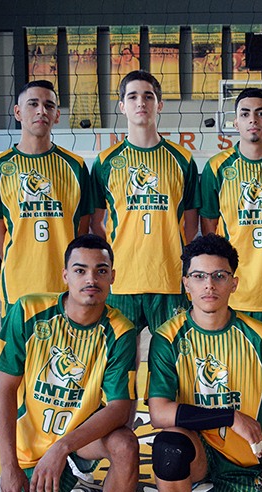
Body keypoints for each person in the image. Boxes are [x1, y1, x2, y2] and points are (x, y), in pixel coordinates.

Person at [0, 234, 140, 492]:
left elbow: (119, 409)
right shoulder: (27, 312)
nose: (91, 279)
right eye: (81, 270)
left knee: (125, 444)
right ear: (65, 275)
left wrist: (62, 448)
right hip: (32, 445)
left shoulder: (121, 330)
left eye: (101, 271)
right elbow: (5, 391)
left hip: (81, 441)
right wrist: (8, 466)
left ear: (112, 277)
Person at [145, 234, 262, 492]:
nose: (210, 285)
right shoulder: (168, 338)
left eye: (220, 276)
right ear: (186, 283)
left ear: (234, 282)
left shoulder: (261, 337)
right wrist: (228, 416)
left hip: (242, 463)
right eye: (200, 276)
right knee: (169, 446)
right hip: (196, 451)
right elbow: (159, 412)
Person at [90, 70, 198, 400]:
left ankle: (171, 431)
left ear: (160, 104)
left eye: (148, 96)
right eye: (133, 96)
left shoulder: (182, 159)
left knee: (174, 365)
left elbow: (191, 222)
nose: (141, 102)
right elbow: (96, 224)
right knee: (121, 367)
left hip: (167, 279)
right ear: (121, 106)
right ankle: (121, 426)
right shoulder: (106, 162)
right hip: (122, 281)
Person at [200, 88, 262, 352]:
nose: (253, 120)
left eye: (261, 113)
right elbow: (209, 229)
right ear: (235, 122)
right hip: (232, 295)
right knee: (237, 371)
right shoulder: (217, 168)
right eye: (245, 114)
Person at [0, 80, 93, 321]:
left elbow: (81, 228)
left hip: (65, 285)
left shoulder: (76, 166)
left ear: (57, 115)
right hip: (18, 285)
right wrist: (20, 260)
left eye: (48, 105)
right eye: (33, 104)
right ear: (18, 112)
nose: (41, 110)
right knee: (20, 357)